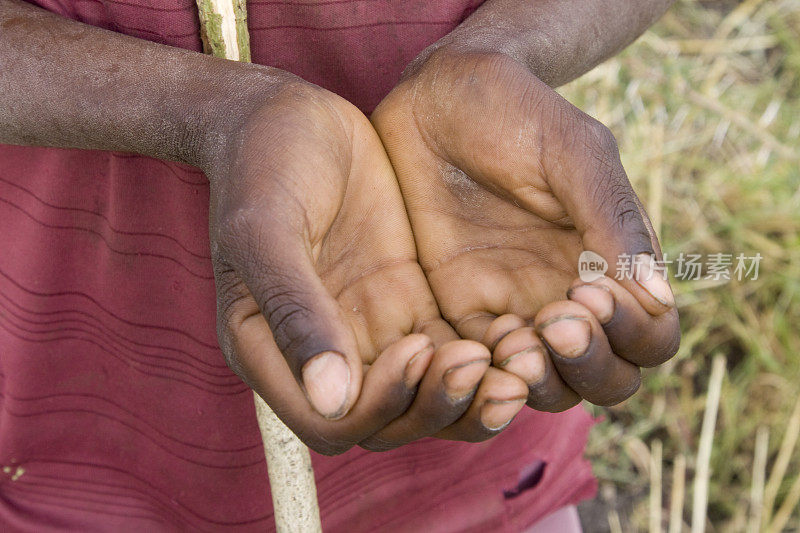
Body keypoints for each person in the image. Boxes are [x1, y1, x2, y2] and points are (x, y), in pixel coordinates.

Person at [0, 0, 680, 530]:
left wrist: (501, 51)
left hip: (468, 305)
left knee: (469, 395)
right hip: (78, 392)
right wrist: (209, 110)